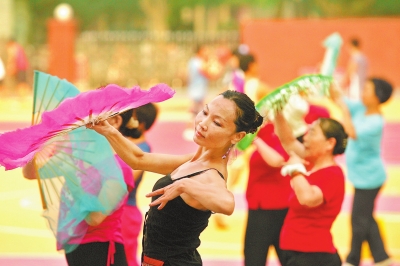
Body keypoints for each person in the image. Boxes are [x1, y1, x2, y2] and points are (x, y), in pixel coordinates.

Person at [89, 90, 264, 265]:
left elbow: (228, 204)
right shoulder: (193, 161)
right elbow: (138, 159)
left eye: (217, 123)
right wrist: (108, 130)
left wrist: (186, 185)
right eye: (204, 112)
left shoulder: (211, 175)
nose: (203, 123)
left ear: (237, 136)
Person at [22, 111, 140, 266]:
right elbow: (30, 173)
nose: (86, 119)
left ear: (116, 121)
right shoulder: (79, 157)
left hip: (100, 249)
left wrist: (72, 174)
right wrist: (37, 144)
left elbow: (95, 218)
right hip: (75, 247)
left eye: (96, 113)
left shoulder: (120, 168)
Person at [331, 78, 393, 266]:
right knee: (365, 218)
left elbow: (351, 130)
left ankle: (352, 259)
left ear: (377, 97)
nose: (363, 92)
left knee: (358, 220)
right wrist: (329, 79)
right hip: (362, 176)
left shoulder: (375, 122)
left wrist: (342, 109)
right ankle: (382, 258)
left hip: (370, 178)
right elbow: (337, 97)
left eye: (367, 89)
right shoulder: (361, 109)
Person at [273, 111, 348, 266]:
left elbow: (308, 198)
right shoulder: (311, 164)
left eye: (312, 133)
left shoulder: (333, 174)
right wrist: (278, 113)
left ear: (330, 143)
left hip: (314, 256)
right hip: (295, 253)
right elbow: (289, 142)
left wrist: (295, 169)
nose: (305, 137)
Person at [243, 121, 290, 266]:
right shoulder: (263, 133)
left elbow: (277, 160)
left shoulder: (280, 135)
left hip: (276, 209)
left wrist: (255, 139)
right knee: (253, 257)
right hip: (259, 207)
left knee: (286, 258)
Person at [117, 103, 159, 266]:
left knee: (126, 260)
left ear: (139, 123)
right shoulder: (123, 143)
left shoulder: (142, 149)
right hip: (114, 211)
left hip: (126, 211)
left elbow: (124, 182)